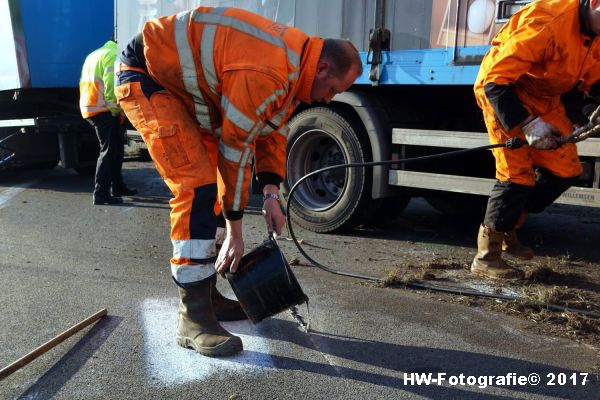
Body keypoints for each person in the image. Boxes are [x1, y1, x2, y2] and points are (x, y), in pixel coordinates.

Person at [115, 7, 362, 357]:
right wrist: (235, 230)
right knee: (197, 185)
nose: (328, 99)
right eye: (333, 89)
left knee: (212, 187)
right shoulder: (268, 70)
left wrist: (272, 194)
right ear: (322, 68)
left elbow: (270, 133)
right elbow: (236, 151)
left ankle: (208, 297)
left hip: (182, 88)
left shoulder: (296, 68)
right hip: (147, 76)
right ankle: (193, 317)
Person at [471, 0, 600, 280]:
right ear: (595, 3)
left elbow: (592, 79)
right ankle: (487, 256)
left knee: (566, 170)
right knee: (516, 176)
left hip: (545, 99)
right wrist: (528, 123)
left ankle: (509, 229)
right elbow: (496, 80)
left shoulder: (595, 32)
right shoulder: (547, 21)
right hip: (506, 92)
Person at [80, 39, 137, 205]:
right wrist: (115, 111)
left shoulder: (94, 54)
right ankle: (101, 193)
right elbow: (112, 85)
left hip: (91, 107)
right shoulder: (113, 55)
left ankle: (118, 187)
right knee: (108, 151)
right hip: (104, 109)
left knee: (116, 148)